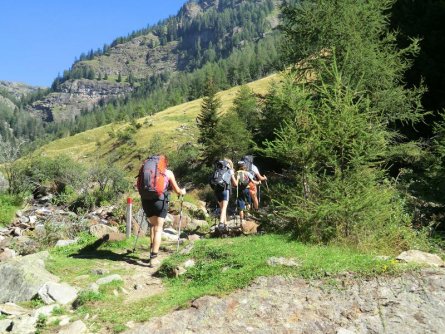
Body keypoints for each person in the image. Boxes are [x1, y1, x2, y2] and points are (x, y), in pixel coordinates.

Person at [137, 155, 186, 267]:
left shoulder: (146, 171)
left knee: (152, 226)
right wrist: (183, 192)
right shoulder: (168, 173)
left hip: (146, 201)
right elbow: (178, 191)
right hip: (160, 202)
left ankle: (151, 252)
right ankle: (153, 259)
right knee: (158, 229)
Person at [214, 158, 237, 232]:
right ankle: (221, 224)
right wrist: (237, 179)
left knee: (222, 208)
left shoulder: (218, 170)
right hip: (225, 190)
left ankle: (225, 224)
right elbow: (235, 184)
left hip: (217, 190)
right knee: (224, 208)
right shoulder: (229, 170)